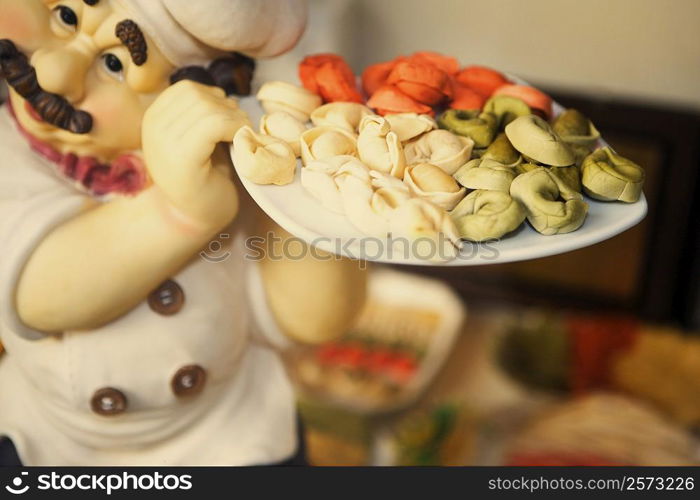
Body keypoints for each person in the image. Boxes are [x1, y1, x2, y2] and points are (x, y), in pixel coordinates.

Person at [0, 0, 366, 466]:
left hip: (228, 437)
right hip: (57, 447)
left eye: (115, 65)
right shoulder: (7, 152)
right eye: (66, 16)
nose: (52, 72)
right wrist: (180, 215)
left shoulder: (230, 166)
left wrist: (309, 187)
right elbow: (39, 296)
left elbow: (313, 318)